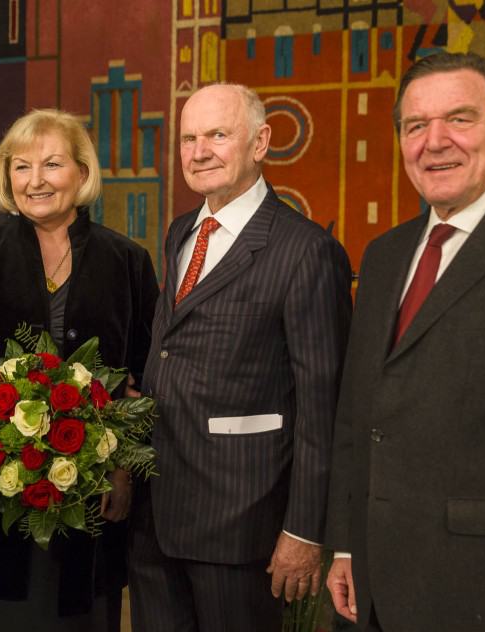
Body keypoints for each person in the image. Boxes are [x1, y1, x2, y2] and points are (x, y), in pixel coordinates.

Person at [324, 52, 485, 632]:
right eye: (415, 125)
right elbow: (358, 414)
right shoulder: (383, 255)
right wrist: (347, 545)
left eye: (459, 119)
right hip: (374, 587)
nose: (435, 142)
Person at [0, 108, 159, 631]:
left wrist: (120, 468)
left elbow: (144, 377)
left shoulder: (128, 261)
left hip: (90, 501)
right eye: (21, 166)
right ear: (6, 176)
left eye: (52, 164)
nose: (35, 180)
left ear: (83, 173)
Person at [128, 83, 353, 632]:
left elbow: (324, 406)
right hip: (156, 513)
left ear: (261, 142)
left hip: (242, 522)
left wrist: (304, 531)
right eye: (188, 138)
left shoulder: (306, 251)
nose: (199, 150)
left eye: (217, 135)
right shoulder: (182, 232)